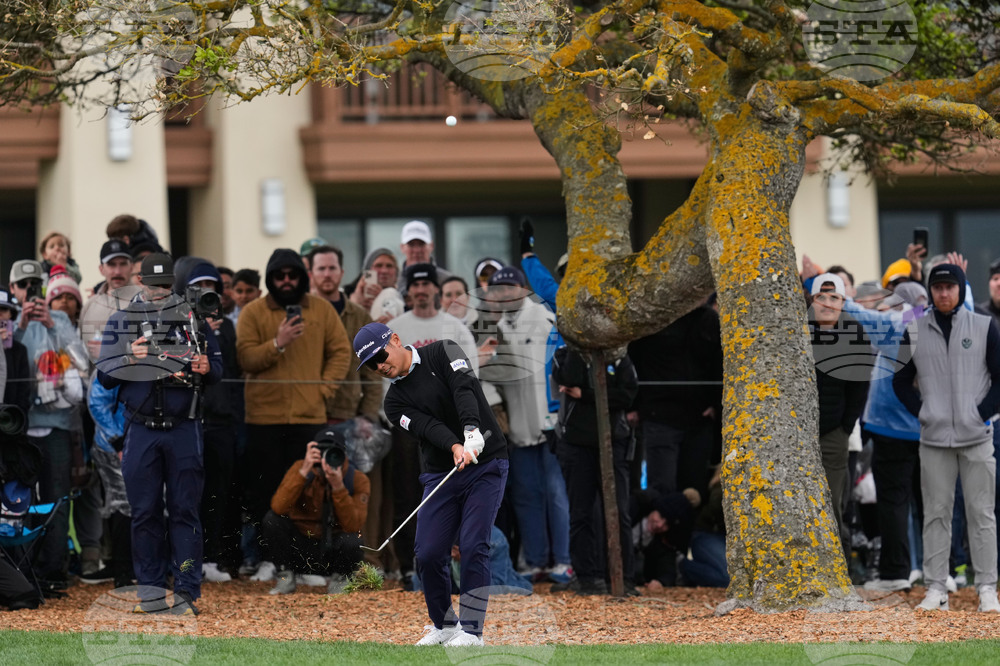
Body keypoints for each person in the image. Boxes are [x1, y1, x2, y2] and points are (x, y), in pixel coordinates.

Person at [354, 322, 507, 647]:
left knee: (472, 544)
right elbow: (428, 427)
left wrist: (470, 432)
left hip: (487, 461)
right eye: (372, 364)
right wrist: (455, 446)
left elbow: (464, 388)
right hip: (442, 471)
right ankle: (445, 624)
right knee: (428, 551)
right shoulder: (393, 403)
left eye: (381, 355)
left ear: (395, 339)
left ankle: (472, 631)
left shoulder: (444, 351)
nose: (381, 366)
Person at [97, 252, 223, 615]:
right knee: (145, 513)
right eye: (152, 285)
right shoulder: (122, 320)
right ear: (140, 283)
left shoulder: (193, 318)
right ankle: (151, 592)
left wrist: (204, 365)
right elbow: (104, 375)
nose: (158, 292)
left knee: (185, 512)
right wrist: (129, 357)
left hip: (184, 427)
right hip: (140, 428)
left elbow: (217, 368)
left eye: (165, 285)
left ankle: (185, 591)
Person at [236, 249, 352, 576]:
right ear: (270, 279)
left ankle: (306, 563)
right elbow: (245, 359)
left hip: (308, 417)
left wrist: (323, 390)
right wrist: (278, 342)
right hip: (263, 420)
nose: (286, 281)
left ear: (302, 277)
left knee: (309, 495)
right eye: (279, 276)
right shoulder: (253, 313)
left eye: (292, 274)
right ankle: (270, 561)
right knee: (266, 493)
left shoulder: (322, 310)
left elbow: (341, 353)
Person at [893, 263, 1000, 613]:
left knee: (981, 514)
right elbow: (899, 381)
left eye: (949, 287)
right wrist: (925, 413)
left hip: (977, 437)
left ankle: (986, 587)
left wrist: (979, 413)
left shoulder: (985, 326)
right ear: (931, 291)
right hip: (934, 439)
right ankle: (936, 588)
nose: (943, 293)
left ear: (960, 289)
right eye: (937, 287)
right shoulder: (914, 330)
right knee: (936, 515)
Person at [479, 266, 571, 583]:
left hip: (550, 423)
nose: (504, 295)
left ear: (523, 289)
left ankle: (563, 560)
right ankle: (535, 561)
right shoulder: (495, 327)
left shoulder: (544, 318)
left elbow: (559, 370)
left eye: (509, 288)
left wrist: (557, 416)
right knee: (526, 495)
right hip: (517, 427)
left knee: (556, 494)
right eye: (497, 290)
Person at [9, 259, 86, 594]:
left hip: (56, 427)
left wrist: (51, 327)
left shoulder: (60, 320)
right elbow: (10, 368)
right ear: (12, 289)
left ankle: (54, 571)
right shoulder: (7, 321)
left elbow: (81, 361)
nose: (29, 293)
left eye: (35, 286)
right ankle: (21, 571)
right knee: (18, 501)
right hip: (18, 427)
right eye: (23, 286)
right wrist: (22, 326)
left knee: (56, 499)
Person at [552, 346, 638, 595]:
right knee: (581, 513)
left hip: (613, 443)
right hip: (576, 446)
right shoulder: (564, 354)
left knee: (619, 512)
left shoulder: (619, 354)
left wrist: (586, 394)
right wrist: (580, 351)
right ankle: (587, 577)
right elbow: (569, 378)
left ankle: (624, 578)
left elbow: (628, 395)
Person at [807, 273, 870, 564]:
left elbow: (860, 386)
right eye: (822, 296)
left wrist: (846, 426)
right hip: (798, 433)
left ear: (843, 301)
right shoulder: (798, 330)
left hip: (835, 432)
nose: (828, 303)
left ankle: (838, 572)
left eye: (835, 297)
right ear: (813, 298)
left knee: (833, 505)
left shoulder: (855, 334)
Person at [263, 428, 369, 595]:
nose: (326, 458)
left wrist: (338, 487)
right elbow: (278, 507)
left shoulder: (356, 479)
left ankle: (340, 580)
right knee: (272, 519)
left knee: (353, 539)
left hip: (333, 548)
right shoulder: (300, 468)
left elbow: (353, 525)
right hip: (301, 546)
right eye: (321, 451)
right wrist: (304, 471)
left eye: (333, 452)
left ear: (343, 454)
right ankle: (285, 578)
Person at [80, 240, 139, 360]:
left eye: (123, 264)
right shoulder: (90, 305)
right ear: (101, 269)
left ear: (131, 267)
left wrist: (107, 351)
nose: (117, 271)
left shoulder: (143, 301)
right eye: (112, 264)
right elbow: (80, 349)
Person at [396, 221, 452, 292]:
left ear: (431, 246)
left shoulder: (447, 280)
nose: (417, 250)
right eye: (411, 245)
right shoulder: (393, 280)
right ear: (402, 247)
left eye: (421, 244)